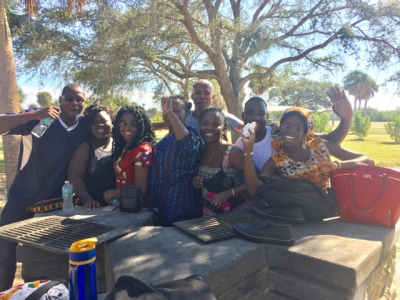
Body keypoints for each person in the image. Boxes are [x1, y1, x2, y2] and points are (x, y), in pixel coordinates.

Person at [0, 83, 88, 290]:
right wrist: (34, 115)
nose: (74, 104)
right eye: (69, 99)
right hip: (22, 197)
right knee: (4, 252)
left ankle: (40, 292)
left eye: (79, 100)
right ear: (60, 100)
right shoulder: (43, 120)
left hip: (54, 203)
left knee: (44, 257)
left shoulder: (84, 126)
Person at [242, 107, 374, 196]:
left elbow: (367, 161)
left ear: (306, 132)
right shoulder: (276, 162)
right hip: (294, 216)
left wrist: (336, 166)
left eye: (297, 127)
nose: (290, 130)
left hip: (325, 211)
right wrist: (248, 151)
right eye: (286, 126)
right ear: (280, 128)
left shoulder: (320, 147)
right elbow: (254, 190)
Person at [235, 87, 354, 172]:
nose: (255, 118)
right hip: (266, 195)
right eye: (250, 113)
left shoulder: (277, 133)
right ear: (243, 116)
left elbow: (330, 141)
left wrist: (346, 119)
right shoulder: (240, 144)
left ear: (266, 117)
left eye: (261, 114)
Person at [192, 108, 256, 216]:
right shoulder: (198, 151)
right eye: (205, 124)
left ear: (224, 128)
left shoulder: (233, 153)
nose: (209, 128)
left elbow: (253, 184)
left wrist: (228, 194)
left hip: (237, 215)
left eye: (215, 124)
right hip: (209, 217)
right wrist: (195, 181)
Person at [150, 96, 202, 226]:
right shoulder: (164, 139)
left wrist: (169, 111)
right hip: (161, 201)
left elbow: (188, 146)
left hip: (181, 203)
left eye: (175, 110)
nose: (168, 114)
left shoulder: (191, 134)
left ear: (186, 113)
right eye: (166, 111)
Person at [103, 106, 156, 203]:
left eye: (133, 124)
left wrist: (114, 193)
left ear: (141, 126)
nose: (127, 127)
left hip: (139, 207)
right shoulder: (126, 147)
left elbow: (142, 189)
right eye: (123, 122)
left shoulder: (142, 151)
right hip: (125, 203)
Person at [68, 105, 116, 210]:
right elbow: (74, 177)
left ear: (112, 122)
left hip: (118, 206)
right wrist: (87, 200)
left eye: (104, 121)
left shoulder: (119, 143)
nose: (100, 125)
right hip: (94, 208)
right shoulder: (86, 147)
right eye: (94, 122)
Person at [153, 80, 244, 134]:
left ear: (213, 97)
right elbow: (162, 125)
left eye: (207, 93)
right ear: (192, 97)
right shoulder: (185, 117)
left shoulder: (222, 117)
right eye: (198, 93)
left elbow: (247, 130)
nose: (202, 97)